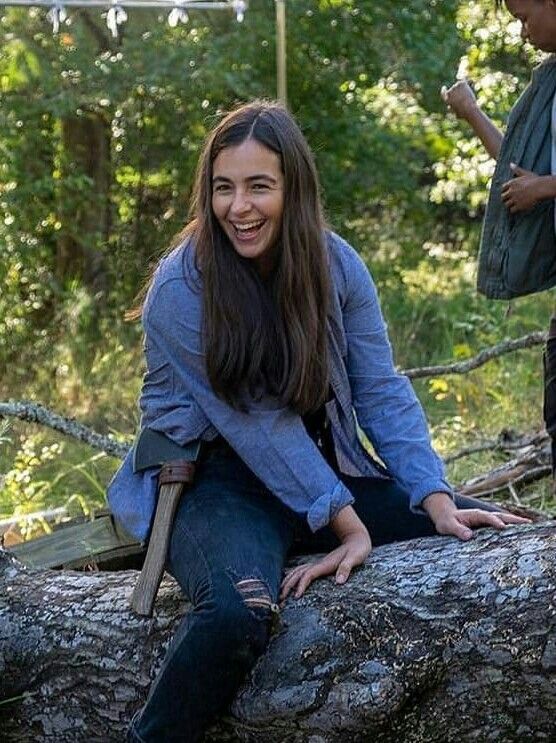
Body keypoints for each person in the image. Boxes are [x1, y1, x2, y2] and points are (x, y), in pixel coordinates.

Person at [107, 100, 527, 743]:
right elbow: (255, 423)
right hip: (213, 480)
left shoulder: (335, 264)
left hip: (321, 465)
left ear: (292, 188)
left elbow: (382, 391)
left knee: (497, 537)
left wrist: (434, 496)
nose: (238, 207)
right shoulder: (180, 287)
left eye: (259, 187)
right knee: (234, 614)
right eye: (224, 188)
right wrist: (348, 525)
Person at [442, 0, 556, 469]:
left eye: (525, 17)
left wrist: (545, 187)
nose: (523, 33)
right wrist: (470, 113)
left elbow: (533, 186)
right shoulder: (549, 86)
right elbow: (515, 177)